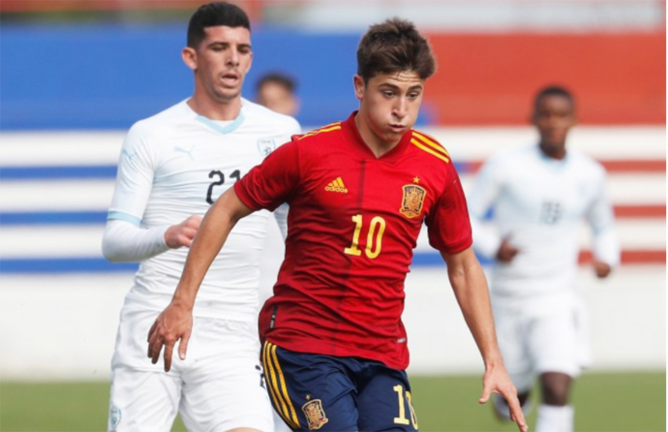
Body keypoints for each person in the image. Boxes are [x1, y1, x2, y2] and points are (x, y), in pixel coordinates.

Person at [147, 18, 528, 432]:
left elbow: (464, 266)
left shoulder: (434, 166)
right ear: (360, 87)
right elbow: (226, 208)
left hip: (382, 356)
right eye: (389, 92)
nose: (401, 109)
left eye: (413, 95)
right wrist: (183, 302)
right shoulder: (309, 154)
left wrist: (494, 360)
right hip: (301, 348)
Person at [101, 3, 300, 432]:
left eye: (243, 49)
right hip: (156, 321)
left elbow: (296, 232)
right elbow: (114, 241)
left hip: (234, 330)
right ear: (191, 57)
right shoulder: (153, 133)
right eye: (219, 47)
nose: (233, 59)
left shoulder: (282, 132)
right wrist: (166, 235)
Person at [467, 86, 620, 432]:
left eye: (561, 115)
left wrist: (606, 258)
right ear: (533, 119)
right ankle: (516, 392)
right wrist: (494, 246)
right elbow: (467, 216)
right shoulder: (506, 166)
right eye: (546, 114)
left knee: (557, 384)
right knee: (510, 402)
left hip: (557, 297)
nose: (553, 122)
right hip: (509, 299)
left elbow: (603, 226)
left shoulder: (589, 174)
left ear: (574, 120)